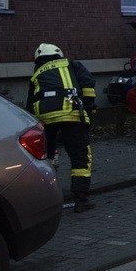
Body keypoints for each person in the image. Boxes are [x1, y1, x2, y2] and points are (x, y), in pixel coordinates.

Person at [26, 44, 97, 212]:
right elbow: (88, 85)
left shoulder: (36, 74)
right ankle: (81, 199)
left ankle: (48, 197)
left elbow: (30, 103)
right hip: (70, 114)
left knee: (46, 156)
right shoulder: (71, 65)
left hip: (44, 119)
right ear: (58, 55)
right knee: (80, 154)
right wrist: (89, 109)